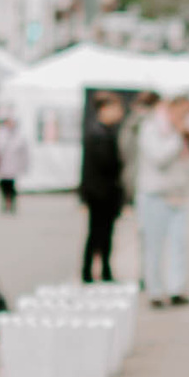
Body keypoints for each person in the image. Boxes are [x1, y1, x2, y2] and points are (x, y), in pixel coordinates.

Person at [135, 94, 189, 308]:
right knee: (154, 244)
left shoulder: (181, 131)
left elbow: (188, 164)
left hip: (178, 194)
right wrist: (178, 138)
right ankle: (155, 290)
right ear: (173, 108)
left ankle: (176, 288)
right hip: (155, 194)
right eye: (184, 111)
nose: (186, 116)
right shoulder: (152, 128)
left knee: (177, 244)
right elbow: (159, 157)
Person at [77, 94, 127, 283]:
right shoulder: (99, 134)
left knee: (103, 234)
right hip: (100, 193)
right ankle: (91, 271)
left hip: (103, 192)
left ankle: (101, 269)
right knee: (98, 233)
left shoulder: (103, 132)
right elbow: (106, 164)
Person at [0, 110, 28, 213]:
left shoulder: (20, 136)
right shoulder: (0, 134)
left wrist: (24, 165)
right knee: (3, 184)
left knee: (12, 185)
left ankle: (12, 202)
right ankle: (5, 201)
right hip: (3, 165)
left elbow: (24, 152)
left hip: (14, 164)